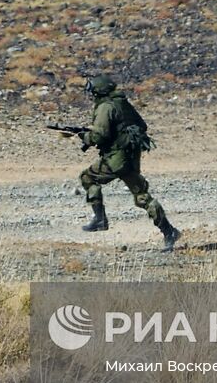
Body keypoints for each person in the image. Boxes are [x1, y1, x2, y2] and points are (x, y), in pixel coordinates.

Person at [73, 75, 180, 252]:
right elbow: (141, 125)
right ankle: (169, 232)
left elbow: (99, 136)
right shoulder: (122, 103)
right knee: (142, 196)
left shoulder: (105, 107)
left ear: (98, 91)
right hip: (130, 157)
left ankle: (100, 220)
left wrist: (83, 136)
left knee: (87, 178)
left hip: (116, 159)